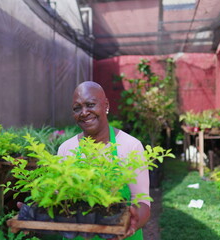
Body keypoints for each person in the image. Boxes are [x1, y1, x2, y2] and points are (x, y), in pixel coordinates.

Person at [57, 81, 150, 240]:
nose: (84, 112)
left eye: (90, 104)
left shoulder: (130, 146)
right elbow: (60, 198)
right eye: (77, 108)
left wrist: (132, 222)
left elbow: (142, 202)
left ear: (106, 105)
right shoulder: (66, 149)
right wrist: (37, 211)